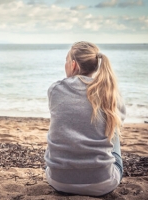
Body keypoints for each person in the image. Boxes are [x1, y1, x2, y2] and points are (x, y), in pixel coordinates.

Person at [44, 41, 126, 196]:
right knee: (112, 128)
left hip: (59, 181)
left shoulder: (55, 89)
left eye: (66, 61)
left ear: (73, 65)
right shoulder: (110, 92)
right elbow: (119, 121)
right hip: (103, 183)